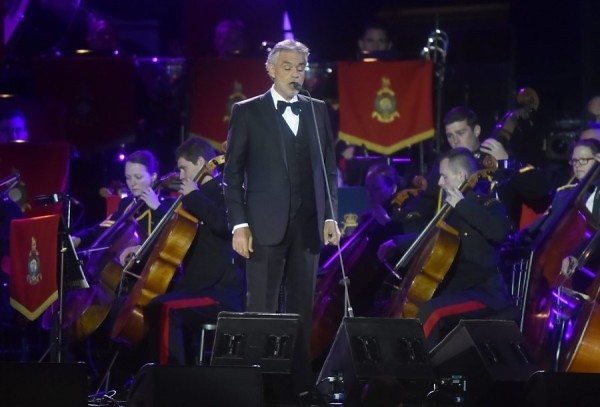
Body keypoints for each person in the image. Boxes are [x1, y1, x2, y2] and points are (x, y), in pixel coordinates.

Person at [223, 39, 340, 350]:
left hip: (308, 226)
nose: (295, 74)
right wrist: (239, 224)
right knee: (261, 307)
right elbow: (231, 174)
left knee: (302, 310)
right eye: (288, 67)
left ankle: (299, 386)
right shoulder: (247, 112)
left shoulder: (317, 110)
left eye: (300, 69)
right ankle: (259, 384)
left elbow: (328, 168)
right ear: (271, 70)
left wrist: (330, 215)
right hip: (263, 227)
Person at [144, 136, 244, 365]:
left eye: (183, 168)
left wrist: (193, 195)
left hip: (219, 291)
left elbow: (222, 224)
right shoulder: (193, 198)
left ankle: (172, 379)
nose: (180, 176)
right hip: (195, 287)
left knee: (164, 308)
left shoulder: (224, 192)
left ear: (201, 162)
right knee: (150, 306)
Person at [413, 148, 513, 349]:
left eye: (444, 176)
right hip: (457, 290)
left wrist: (463, 205)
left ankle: (418, 375)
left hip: (485, 292)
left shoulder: (488, 204)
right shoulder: (449, 211)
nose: (440, 183)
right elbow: (430, 239)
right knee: (418, 308)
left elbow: (498, 232)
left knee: (433, 312)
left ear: (461, 176)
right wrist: (394, 243)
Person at [72, 150, 171, 250]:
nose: (132, 183)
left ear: (153, 177)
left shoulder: (168, 203)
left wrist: (157, 207)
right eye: (128, 177)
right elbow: (105, 227)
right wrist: (79, 238)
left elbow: (172, 235)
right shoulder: (127, 203)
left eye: (138, 177)